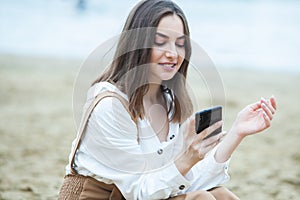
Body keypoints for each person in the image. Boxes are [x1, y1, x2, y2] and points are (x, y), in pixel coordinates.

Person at [60, 0, 277, 199]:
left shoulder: (168, 101)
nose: (173, 53)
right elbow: (140, 192)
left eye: (180, 43)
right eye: (160, 42)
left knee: (221, 195)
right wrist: (186, 160)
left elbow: (187, 181)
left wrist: (237, 132)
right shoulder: (110, 105)